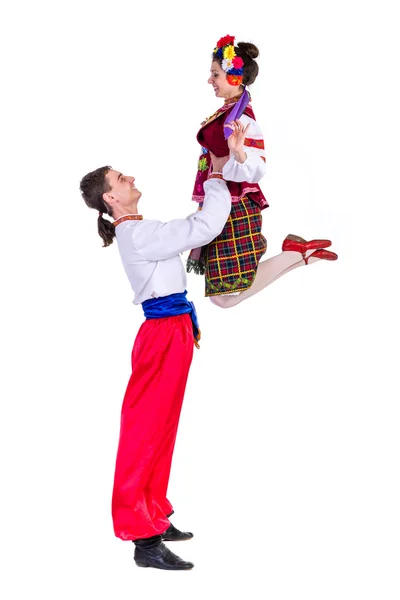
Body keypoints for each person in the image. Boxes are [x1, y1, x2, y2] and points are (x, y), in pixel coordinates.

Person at [79, 150, 234, 570]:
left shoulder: (141, 231)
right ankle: (143, 540)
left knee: (162, 427)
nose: (129, 178)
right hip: (164, 335)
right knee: (144, 430)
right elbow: (204, 226)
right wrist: (217, 178)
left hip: (175, 330)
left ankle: (154, 512)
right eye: (119, 178)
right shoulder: (138, 235)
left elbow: (192, 236)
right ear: (111, 198)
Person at [187, 35, 337, 308]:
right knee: (222, 297)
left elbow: (258, 167)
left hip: (235, 205)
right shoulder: (228, 112)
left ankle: (296, 255)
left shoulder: (242, 119)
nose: (210, 80)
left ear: (234, 77)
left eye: (215, 74)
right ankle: (298, 255)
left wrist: (240, 152)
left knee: (223, 297)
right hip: (221, 202)